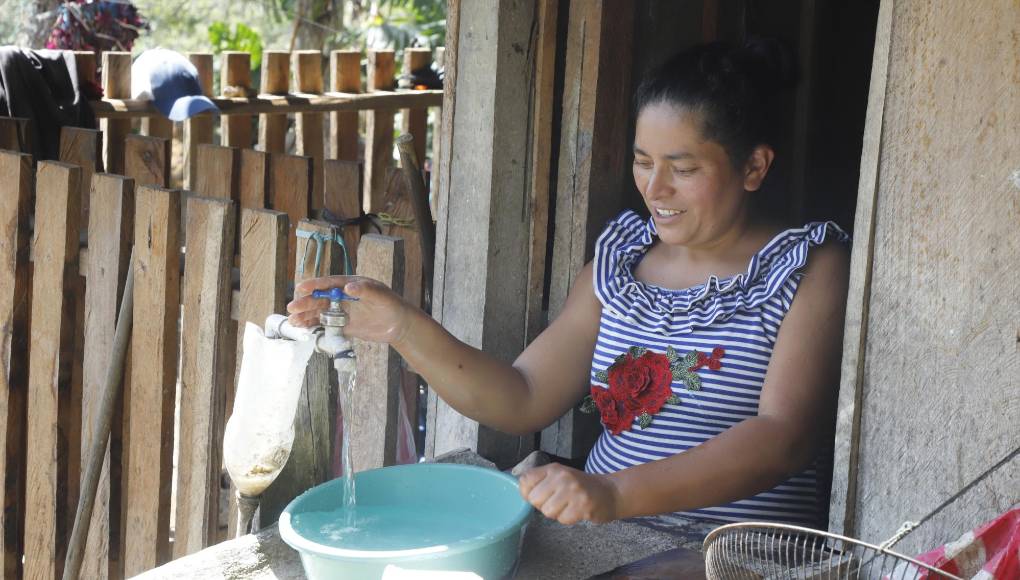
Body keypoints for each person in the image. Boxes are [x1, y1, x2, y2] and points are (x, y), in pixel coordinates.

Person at [287, 39, 851, 529]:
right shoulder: (620, 267)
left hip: (735, 556)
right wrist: (402, 326)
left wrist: (615, 493)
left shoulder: (808, 267)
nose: (655, 189)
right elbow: (522, 396)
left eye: (683, 170)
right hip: (610, 541)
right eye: (642, 161)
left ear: (753, 166)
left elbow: (784, 438)